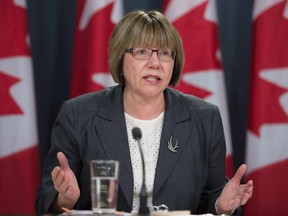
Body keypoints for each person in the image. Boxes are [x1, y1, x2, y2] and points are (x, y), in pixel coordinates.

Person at [35, 10, 253, 215]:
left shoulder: (204, 119)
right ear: (120, 58)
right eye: (142, 52)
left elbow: (211, 196)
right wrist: (65, 199)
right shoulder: (78, 116)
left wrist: (222, 205)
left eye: (165, 53)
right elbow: (46, 201)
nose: (155, 63)